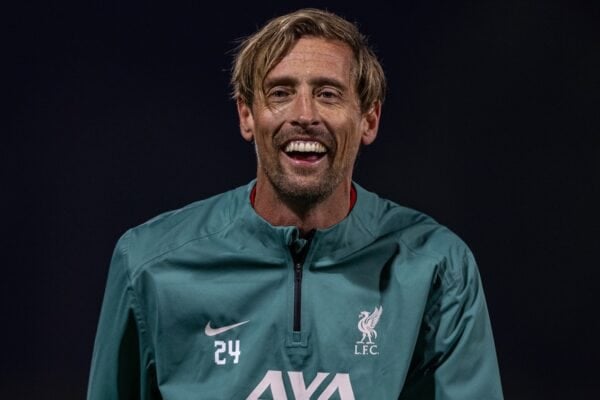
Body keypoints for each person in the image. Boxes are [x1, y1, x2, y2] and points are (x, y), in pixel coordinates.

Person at [87, 8, 503, 400]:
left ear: (369, 119)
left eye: (327, 93)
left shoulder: (437, 267)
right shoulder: (148, 264)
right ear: (247, 115)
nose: (304, 114)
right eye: (281, 92)